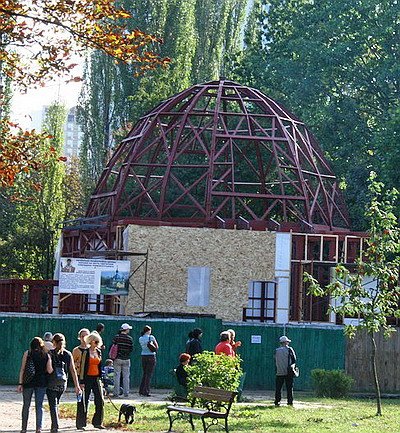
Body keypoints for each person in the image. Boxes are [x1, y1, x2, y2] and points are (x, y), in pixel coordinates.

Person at [46, 333, 81, 433]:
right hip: (62, 383)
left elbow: (48, 369)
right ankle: (55, 425)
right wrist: (76, 385)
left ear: (54, 342)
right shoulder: (68, 354)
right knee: (56, 403)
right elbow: (73, 371)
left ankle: (55, 426)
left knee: (53, 405)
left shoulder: (50, 353)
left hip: (51, 382)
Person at [17, 337, 53, 433]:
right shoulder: (46, 355)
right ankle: (38, 428)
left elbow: (23, 369)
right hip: (41, 382)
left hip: (28, 382)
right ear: (42, 345)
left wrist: (20, 383)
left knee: (26, 405)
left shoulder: (27, 353)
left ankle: (24, 428)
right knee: (39, 406)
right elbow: (50, 370)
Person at [76, 332, 105, 430]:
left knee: (100, 400)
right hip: (87, 378)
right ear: (90, 342)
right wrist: (81, 381)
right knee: (84, 401)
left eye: (98, 342)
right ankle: (81, 424)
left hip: (96, 378)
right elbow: (83, 366)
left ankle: (97, 422)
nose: (97, 344)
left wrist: (101, 378)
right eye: (95, 342)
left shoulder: (99, 352)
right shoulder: (85, 352)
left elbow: (100, 366)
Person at [72, 328, 90, 430]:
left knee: (87, 399)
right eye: (82, 336)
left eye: (86, 336)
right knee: (81, 399)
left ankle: (85, 420)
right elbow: (72, 364)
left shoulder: (91, 349)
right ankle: (80, 423)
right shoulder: (76, 350)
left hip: (89, 376)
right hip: (79, 375)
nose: (84, 338)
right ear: (79, 337)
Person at [112, 323, 133, 398]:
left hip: (117, 358)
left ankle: (116, 393)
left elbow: (113, 347)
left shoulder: (116, 337)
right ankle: (126, 393)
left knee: (117, 376)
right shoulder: (130, 339)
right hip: (126, 359)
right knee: (126, 376)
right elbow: (131, 349)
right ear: (126, 330)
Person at [274, 335, 297, 407]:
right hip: (288, 372)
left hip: (279, 372)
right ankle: (290, 402)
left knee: (278, 388)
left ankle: (277, 401)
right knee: (289, 388)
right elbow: (294, 360)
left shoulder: (276, 351)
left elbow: (275, 360)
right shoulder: (290, 350)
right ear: (286, 342)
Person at [138, 325, 158, 397]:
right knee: (149, 374)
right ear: (148, 331)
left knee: (145, 373)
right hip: (151, 355)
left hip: (143, 355)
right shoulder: (151, 337)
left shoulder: (140, 338)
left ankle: (141, 390)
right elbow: (156, 347)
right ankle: (146, 391)